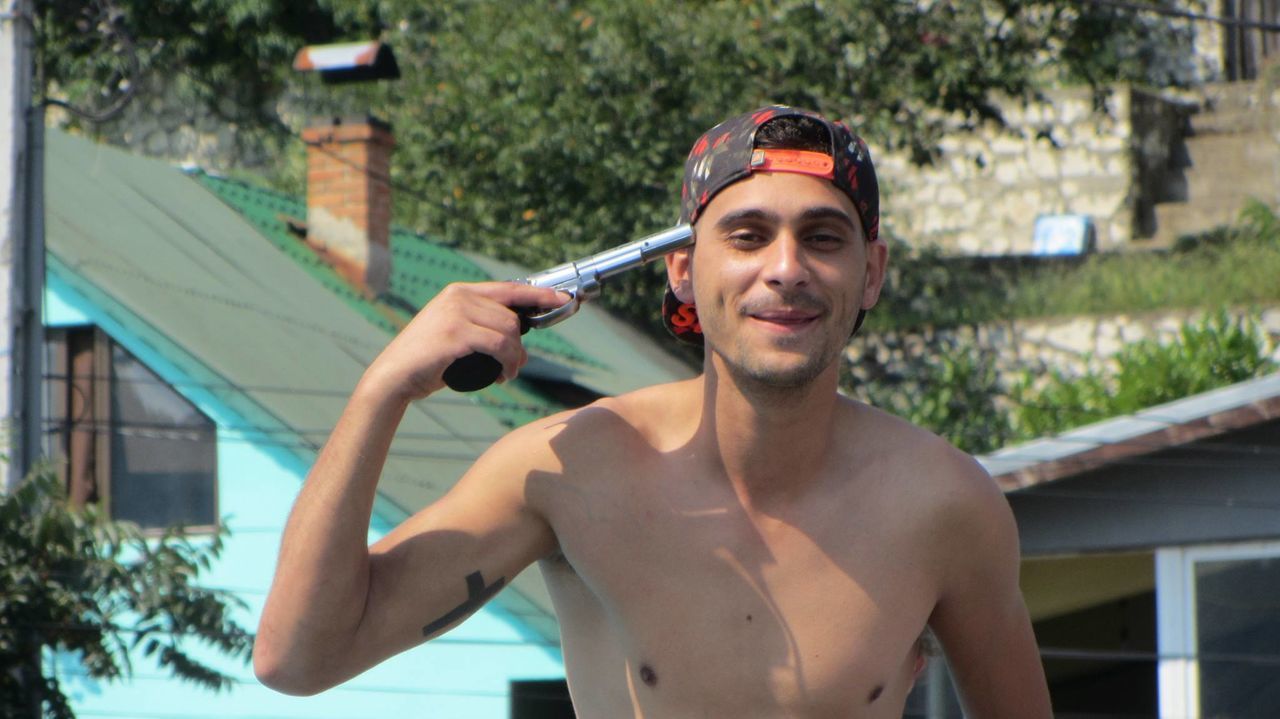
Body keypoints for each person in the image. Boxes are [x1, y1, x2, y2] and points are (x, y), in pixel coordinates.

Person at [254, 105, 1053, 717]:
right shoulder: (571, 469)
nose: (785, 269)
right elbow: (297, 658)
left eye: (823, 238)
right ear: (682, 268)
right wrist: (382, 389)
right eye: (746, 235)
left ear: (871, 272)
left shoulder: (944, 505)